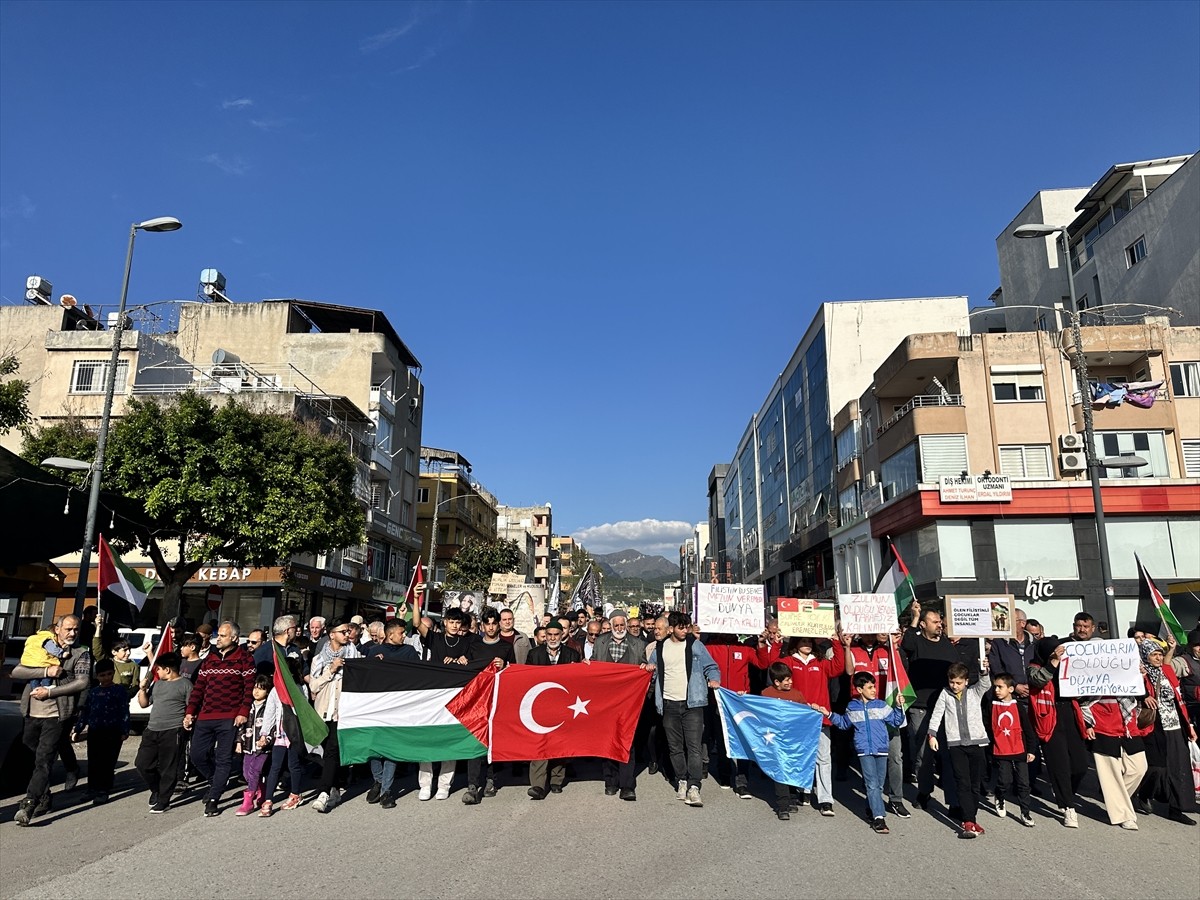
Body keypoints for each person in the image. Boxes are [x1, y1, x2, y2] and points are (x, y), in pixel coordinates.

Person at [12, 615, 90, 826]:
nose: (72, 633)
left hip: (56, 715)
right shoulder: (40, 646)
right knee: (31, 754)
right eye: (68, 629)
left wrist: (50, 692)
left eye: (76, 629)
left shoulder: (80, 653)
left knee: (44, 759)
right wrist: (45, 671)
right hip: (31, 712)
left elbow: (82, 683)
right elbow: (17, 671)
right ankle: (44, 796)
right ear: (57, 629)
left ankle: (28, 803)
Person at [901, 607, 976, 815]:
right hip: (922, 707)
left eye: (939, 621)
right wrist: (915, 617)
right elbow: (906, 643)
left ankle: (953, 801)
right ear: (924, 625)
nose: (939, 624)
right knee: (924, 753)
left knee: (950, 754)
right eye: (934, 621)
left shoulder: (946, 645)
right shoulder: (916, 642)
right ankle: (924, 791)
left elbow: (956, 670)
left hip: (946, 706)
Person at [184, 620, 257, 818]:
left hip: (229, 717)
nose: (218, 639)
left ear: (234, 638)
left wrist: (243, 711)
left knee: (224, 759)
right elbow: (199, 687)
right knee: (197, 755)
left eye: (223, 636)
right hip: (206, 715)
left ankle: (214, 799)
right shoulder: (210, 659)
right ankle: (215, 780)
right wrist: (190, 712)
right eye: (218, 635)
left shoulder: (245, 658)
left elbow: (249, 688)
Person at [648, 611, 721, 808]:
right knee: (675, 747)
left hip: (693, 703)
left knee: (694, 747)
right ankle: (681, 779)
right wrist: (646, 669)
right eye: (681, 627)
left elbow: (711, 666)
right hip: (669, 703)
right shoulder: (660, 648)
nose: (685, 630)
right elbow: (651, 670)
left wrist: (714, 679)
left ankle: (694, 786)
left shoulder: (695, 645)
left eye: (687, 626)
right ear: (671, 629)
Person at [830, 670, 906, 833]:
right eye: (870, 687)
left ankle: (870, 808)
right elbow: (843, 724)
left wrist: (899, 707)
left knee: (878, 785)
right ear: (859, 690)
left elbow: (896, 721)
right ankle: (879, 818)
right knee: (871, 783)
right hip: (864, 750)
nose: (874, 690)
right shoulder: (852, 706)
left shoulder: (881, 705)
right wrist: (829, 714)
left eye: (874, 686)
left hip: (881, 748)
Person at [779, 632, 846, 815]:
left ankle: (826, 800)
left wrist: (836, 641)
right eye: (803, 641)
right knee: (797, 757)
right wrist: (776, 643)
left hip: (819, 718)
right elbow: (775, 671)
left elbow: (838, 668)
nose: (807, 644)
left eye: (809, 641)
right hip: (797, 719)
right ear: (795, 643)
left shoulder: (821, 663)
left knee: (823, 759)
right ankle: (801, 791)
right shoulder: (789, 663)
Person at [845, 631, 909, 818]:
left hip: (887, 709)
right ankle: (872, 801)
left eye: (874, 633)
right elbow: (849, 672)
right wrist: (847, 646)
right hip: (866, 714)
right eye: (867, 634)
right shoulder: (856, 650)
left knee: (895, 756)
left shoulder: (886, 650)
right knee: (870, 758)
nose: (871, 637)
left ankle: (896, 799)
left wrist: (895, 646)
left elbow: (900, 671)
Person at [1133, 639, 1197, 826]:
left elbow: (1179, 698)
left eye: (1160, 654)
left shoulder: (1166, 671)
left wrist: (1189, 726)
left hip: (1175, 725)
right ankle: (1144, 794)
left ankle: (1176, 809)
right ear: (1145, 656)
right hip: (1154, 726)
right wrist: (1144, 695)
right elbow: (1131, 690)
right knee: (1156, 768)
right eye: (1154, 654)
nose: (1158, 658)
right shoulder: (1140, 674)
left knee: (1179, 768)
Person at [926, 660, 992, 838]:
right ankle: (967, 820)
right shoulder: (945, 694)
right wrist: (932, 735)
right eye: (952, 682)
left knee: (975, 784)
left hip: (977, 743)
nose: (954, 686)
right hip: (956, 744)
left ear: (966, 681)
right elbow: (937, 714)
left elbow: (986, 683)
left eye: (958, 683)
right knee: (962, 782)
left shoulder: (974, 692)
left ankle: (973, 818)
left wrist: (984, 669)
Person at [1028, 637, 1089, 828]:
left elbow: (1084, 690)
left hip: (1070, 714)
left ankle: (1065, 791)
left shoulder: (1071, 665)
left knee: (1080, 764)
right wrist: (1053, 662)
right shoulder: (1035, 666)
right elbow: (1037, 681)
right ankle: (1068, 807)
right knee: (1059, 764)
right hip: (1049, 717)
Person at [590, 610, 649, 801]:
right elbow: (593, 664)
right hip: (605, 703)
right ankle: (610, 781)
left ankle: (627, 785)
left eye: (622, 625)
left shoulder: (639, 644)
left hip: (628, 703)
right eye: (616, 626)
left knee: (627, 743)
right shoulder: (601, 642)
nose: (619, 629)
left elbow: (646, 668)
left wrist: (644, 668)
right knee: (607, 742)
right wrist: (587, 665)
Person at [308, 616, 361, 813]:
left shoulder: (354, 655)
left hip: (345, 712)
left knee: (332, 750)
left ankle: (323, 793)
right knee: (332, 752)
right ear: (332, 635)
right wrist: (331, 669)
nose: (347, 635)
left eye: (348, 632)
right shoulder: (320, 658)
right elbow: (313, 685)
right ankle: (336, 788)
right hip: (324, 712)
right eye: (343, 632)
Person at [462, 609, 516, 805]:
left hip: (496, 700)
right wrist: (462, 661)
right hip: (476, 701)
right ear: (482, 626)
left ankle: (491, 779)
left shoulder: (505, 647)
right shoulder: (473, 645)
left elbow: (516, 672)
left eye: (494, 623)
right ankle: (472, 784)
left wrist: (506, 665)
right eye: (488, 623)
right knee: (475, 742)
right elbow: (465, 666)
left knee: (493, 742)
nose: (491, 627)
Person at [525, 620, 582, 800]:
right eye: (549, 635)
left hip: (564, 707)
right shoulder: (534, 654)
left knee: (559, 744)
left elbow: (580, 680)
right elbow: (524, 678)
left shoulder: (572, 654)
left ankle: (557, 780)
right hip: (539, 708)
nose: (552, 638)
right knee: (539, 745)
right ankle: (538, 785)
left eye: (556, 634)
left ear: (562, 635)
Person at [1081, 690, 1149, 830]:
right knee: (1110, 774)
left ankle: (1115, 800)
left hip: (1128, 725)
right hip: (1102, 725)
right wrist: (1087, 724)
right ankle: (1123, 815)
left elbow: (1141, 693)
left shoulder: (1132, 670)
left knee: (1139, 768)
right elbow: (1082, 698)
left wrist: (1140, 677)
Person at [135, 651, 191, 813]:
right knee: (142, 764)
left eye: (159, 669)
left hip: (173, 730)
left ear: (168, 669)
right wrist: (142, 690)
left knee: (168, 767)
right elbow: (144, 704)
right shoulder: (158, 684)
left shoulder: (185, 685)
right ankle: (157, 789)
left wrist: (188, 720)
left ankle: (164, 801)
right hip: (152, 729)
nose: (157, 671)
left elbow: (192, 707)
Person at [760, 662, 814, 821]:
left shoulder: (796, 695)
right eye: (786, 680)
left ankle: (791, 797)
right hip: (775, 739)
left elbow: (805, 713)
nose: (790, 682)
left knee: (791, 767)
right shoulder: (766, 693)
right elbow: (759, 711)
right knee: (780, 769)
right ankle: (782, 805)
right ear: (776, 682)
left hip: (793, 739)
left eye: (790, 679)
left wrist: (812, 709)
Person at [73, 658, 130, 804]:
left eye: (109, 674)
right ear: (97, 676)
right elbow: (86, 712)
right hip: (95, 731)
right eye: (102, 675)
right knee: (94, 761)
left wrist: (124, 730)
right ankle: (92, 788)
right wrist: (78, 729)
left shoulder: (119, 691)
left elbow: (124, 711)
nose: (106, 678)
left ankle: (103, 790)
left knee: (108, 762)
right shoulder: (93, 693)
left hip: (113, 732)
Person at [987, 673, 1037, 827]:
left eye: (1000, 687)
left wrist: (1031, 750)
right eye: (995, 686)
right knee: (1005, 780)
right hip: (1001, 750)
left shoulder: (1018, 706)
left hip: (1018, 748)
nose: (997, 690)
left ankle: (1025, 812)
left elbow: (1028, 729)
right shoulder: (991, 705)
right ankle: (1000, 796)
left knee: (1024, 783)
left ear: (1010, 689)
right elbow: (988, 727)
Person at [235, 675, 276, 816]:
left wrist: (267, 739)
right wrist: (239, 741)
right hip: (248, 745)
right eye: (255, 688)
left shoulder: (268, 707)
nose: (256, 692)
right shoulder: (248, 706)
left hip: (262, 747)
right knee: (247, 773)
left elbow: (273, 725)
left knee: (255, 771)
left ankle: (248, 801)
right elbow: (242, 725)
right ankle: (261, 790)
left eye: (261, 689)